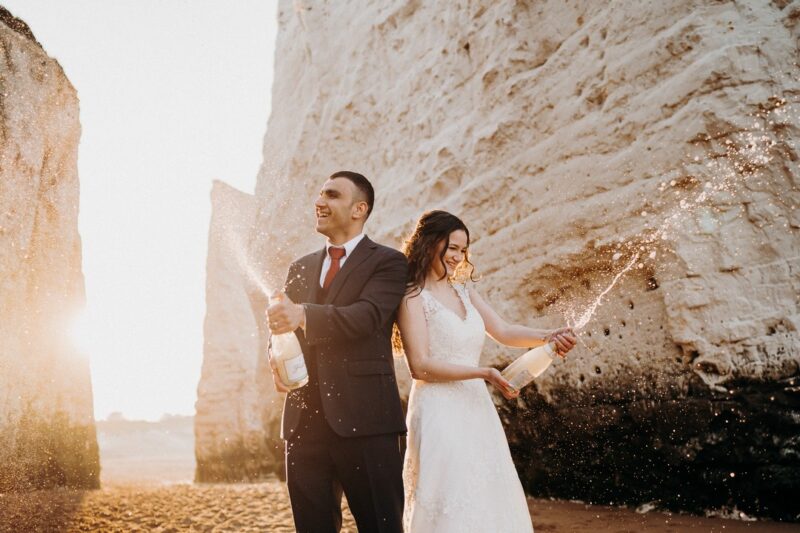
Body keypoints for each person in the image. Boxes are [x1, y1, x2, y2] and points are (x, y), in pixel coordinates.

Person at [396, 210, 576, 532]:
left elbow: (504, 331)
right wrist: (484, 373)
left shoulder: (463, 290)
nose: (458, 257)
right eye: (452, 247)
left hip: (476, 410)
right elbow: (420, 366)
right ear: (429, 243)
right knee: (450, 494)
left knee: (488, 495)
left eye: (463, 250)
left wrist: (549, 336)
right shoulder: (412, 296)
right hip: (438, 410)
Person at [267, 171, 408, 533]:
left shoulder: (389, 262)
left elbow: (368, 317)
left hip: (367, 421)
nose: (319, 202)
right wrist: (275, 353)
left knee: (381, 527)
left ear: (359, 208)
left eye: (331, 195)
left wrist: (302, 315)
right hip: (303, 424)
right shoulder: (300, 267)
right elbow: (286, 330)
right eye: (319, 194)